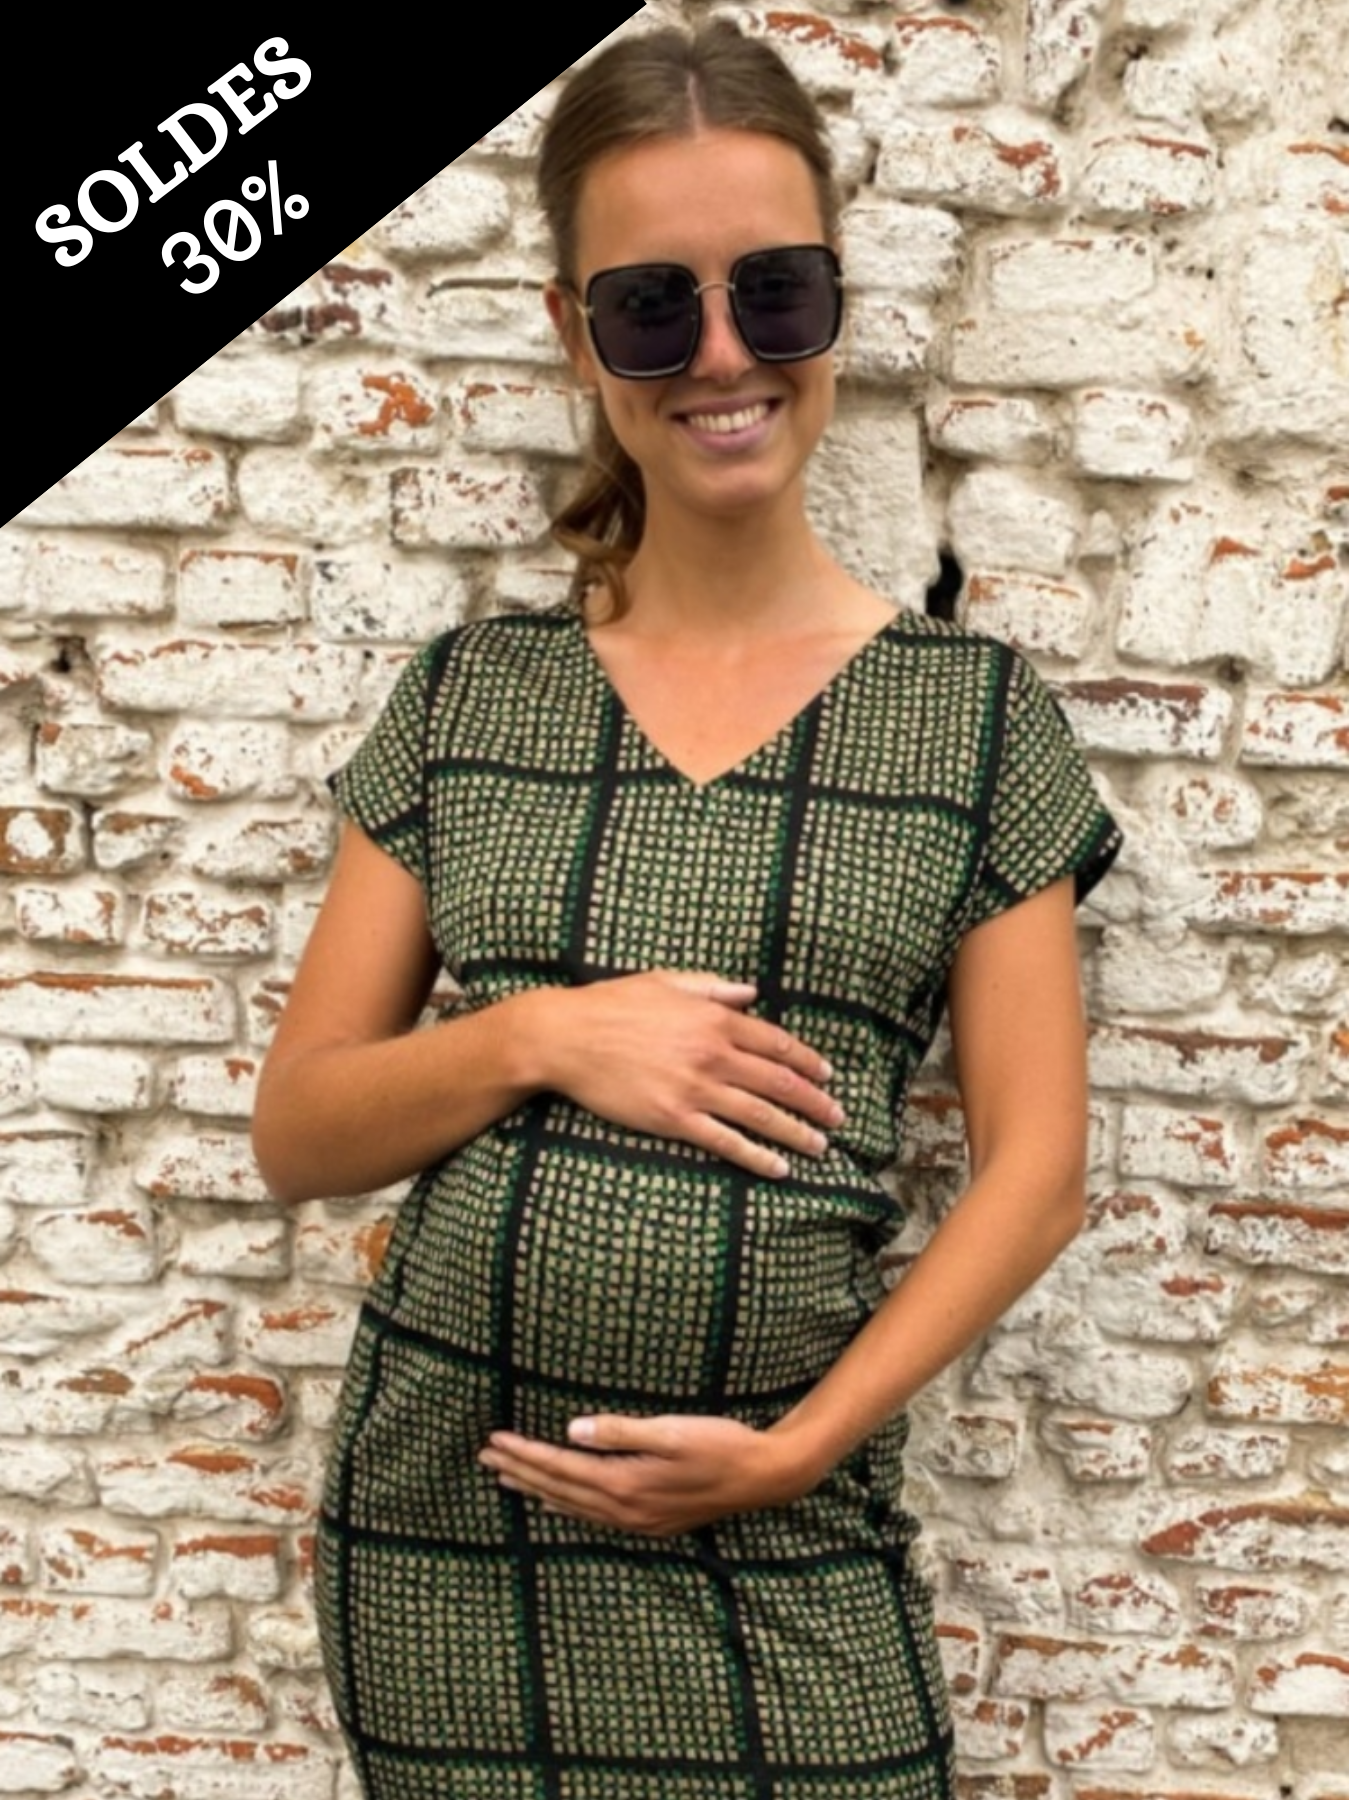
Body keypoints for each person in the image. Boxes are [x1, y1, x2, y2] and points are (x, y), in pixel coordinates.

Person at [252, 20, 1122, 1799]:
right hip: (453, 1542)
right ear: (578, 337)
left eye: (774, 292)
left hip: (786, 1530)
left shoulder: (970, 718)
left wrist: (799, 1449)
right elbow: (300, 1131)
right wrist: (546, 1036)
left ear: (834, 309)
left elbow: (1036, 1173)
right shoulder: (469, 699)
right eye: (654, 307)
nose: (723, 356)